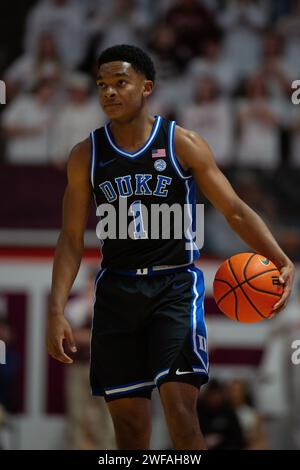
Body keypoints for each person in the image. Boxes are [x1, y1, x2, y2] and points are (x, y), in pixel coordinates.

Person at [46, 44, 295, 450]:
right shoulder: (85, 155)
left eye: (120, 82)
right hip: (116, 294)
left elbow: (233, 210)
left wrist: (279, 256)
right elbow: (70, 239)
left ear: (146, 87)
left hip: (174, 288)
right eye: (102, 85)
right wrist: (56, 310)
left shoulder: (183, 143)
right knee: (128, 430)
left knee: (181, 414)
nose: (109, 92)